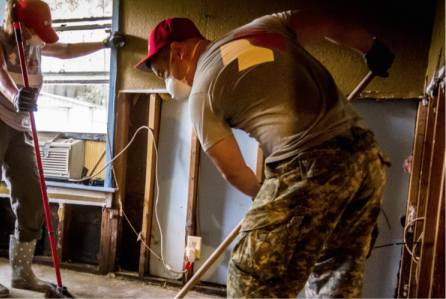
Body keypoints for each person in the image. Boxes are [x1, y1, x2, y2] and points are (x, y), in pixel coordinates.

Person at [134, 10, 393, 298]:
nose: (168, 83)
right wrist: (372, 48)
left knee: (251, 280)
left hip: (309, 165)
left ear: (178, 51)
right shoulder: (264, 28)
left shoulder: (201, 95)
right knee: (335, 274)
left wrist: (268, 200)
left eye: (163, 72)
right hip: (367, 158)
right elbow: (330, 21)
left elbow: (233, 172)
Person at [0, 0, 124, 297]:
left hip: (19, 126)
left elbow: (68, 50)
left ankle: (22, 274)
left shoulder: (34, 44)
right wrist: (16, 94)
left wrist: (104, 42)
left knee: (33, 196)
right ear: (19, 25)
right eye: (39, 30)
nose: (43, 39)